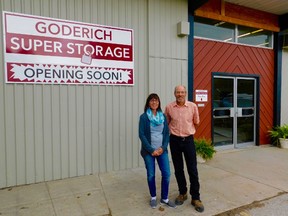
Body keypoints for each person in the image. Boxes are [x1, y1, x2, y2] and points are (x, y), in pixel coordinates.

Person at [165, 85, 204, 213]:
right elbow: (167, 122)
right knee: (178, 169)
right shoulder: (169, 107)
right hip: (174, 141)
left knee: (192, 169)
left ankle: (196, 198)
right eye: (178, 92)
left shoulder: (192, 106)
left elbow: (196, 122)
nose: (180, 94)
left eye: (182, 92)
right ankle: (183, 193)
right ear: (174, 93)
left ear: (185, 93)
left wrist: (188, 132)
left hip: (188, 141)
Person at [139, 93, 176, 209]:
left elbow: (166, 134)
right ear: (148, 103)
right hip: (149, 151)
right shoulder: (144, 117)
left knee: (166, 174)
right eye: (152, 101)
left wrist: (163, 148)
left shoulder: (163, 116)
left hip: (161, 150)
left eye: (156, 100)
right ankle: (153, 197)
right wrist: (151, 150)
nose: (154, 102)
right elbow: (142, 135)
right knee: (151, 175)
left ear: (159, 102)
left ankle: (165, 198)